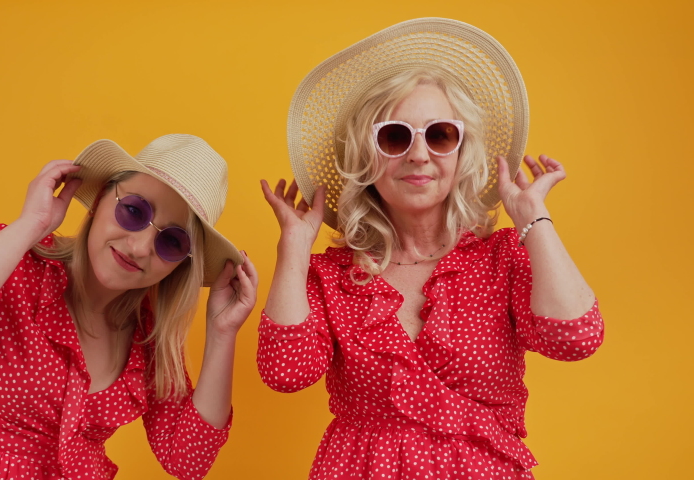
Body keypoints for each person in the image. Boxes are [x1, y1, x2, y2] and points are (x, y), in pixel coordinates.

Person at [258, 18, 604, 479]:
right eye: (394, 136)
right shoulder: (330, 276)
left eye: (440, 135)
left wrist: (532, 217)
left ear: (461, 153)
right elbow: (285, 373)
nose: (419, 155)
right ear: (366, 155)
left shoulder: (502, 259)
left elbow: (577, 338)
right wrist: (294, 247)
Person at [0, 134, 257, 480]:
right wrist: (31, 225)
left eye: (172, 242)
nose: (141, 247)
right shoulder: (17, 268)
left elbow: (188, 460)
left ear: (182, 264)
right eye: (133, 210)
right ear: (98, 201)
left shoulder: (147, 342)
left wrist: (222, 333)